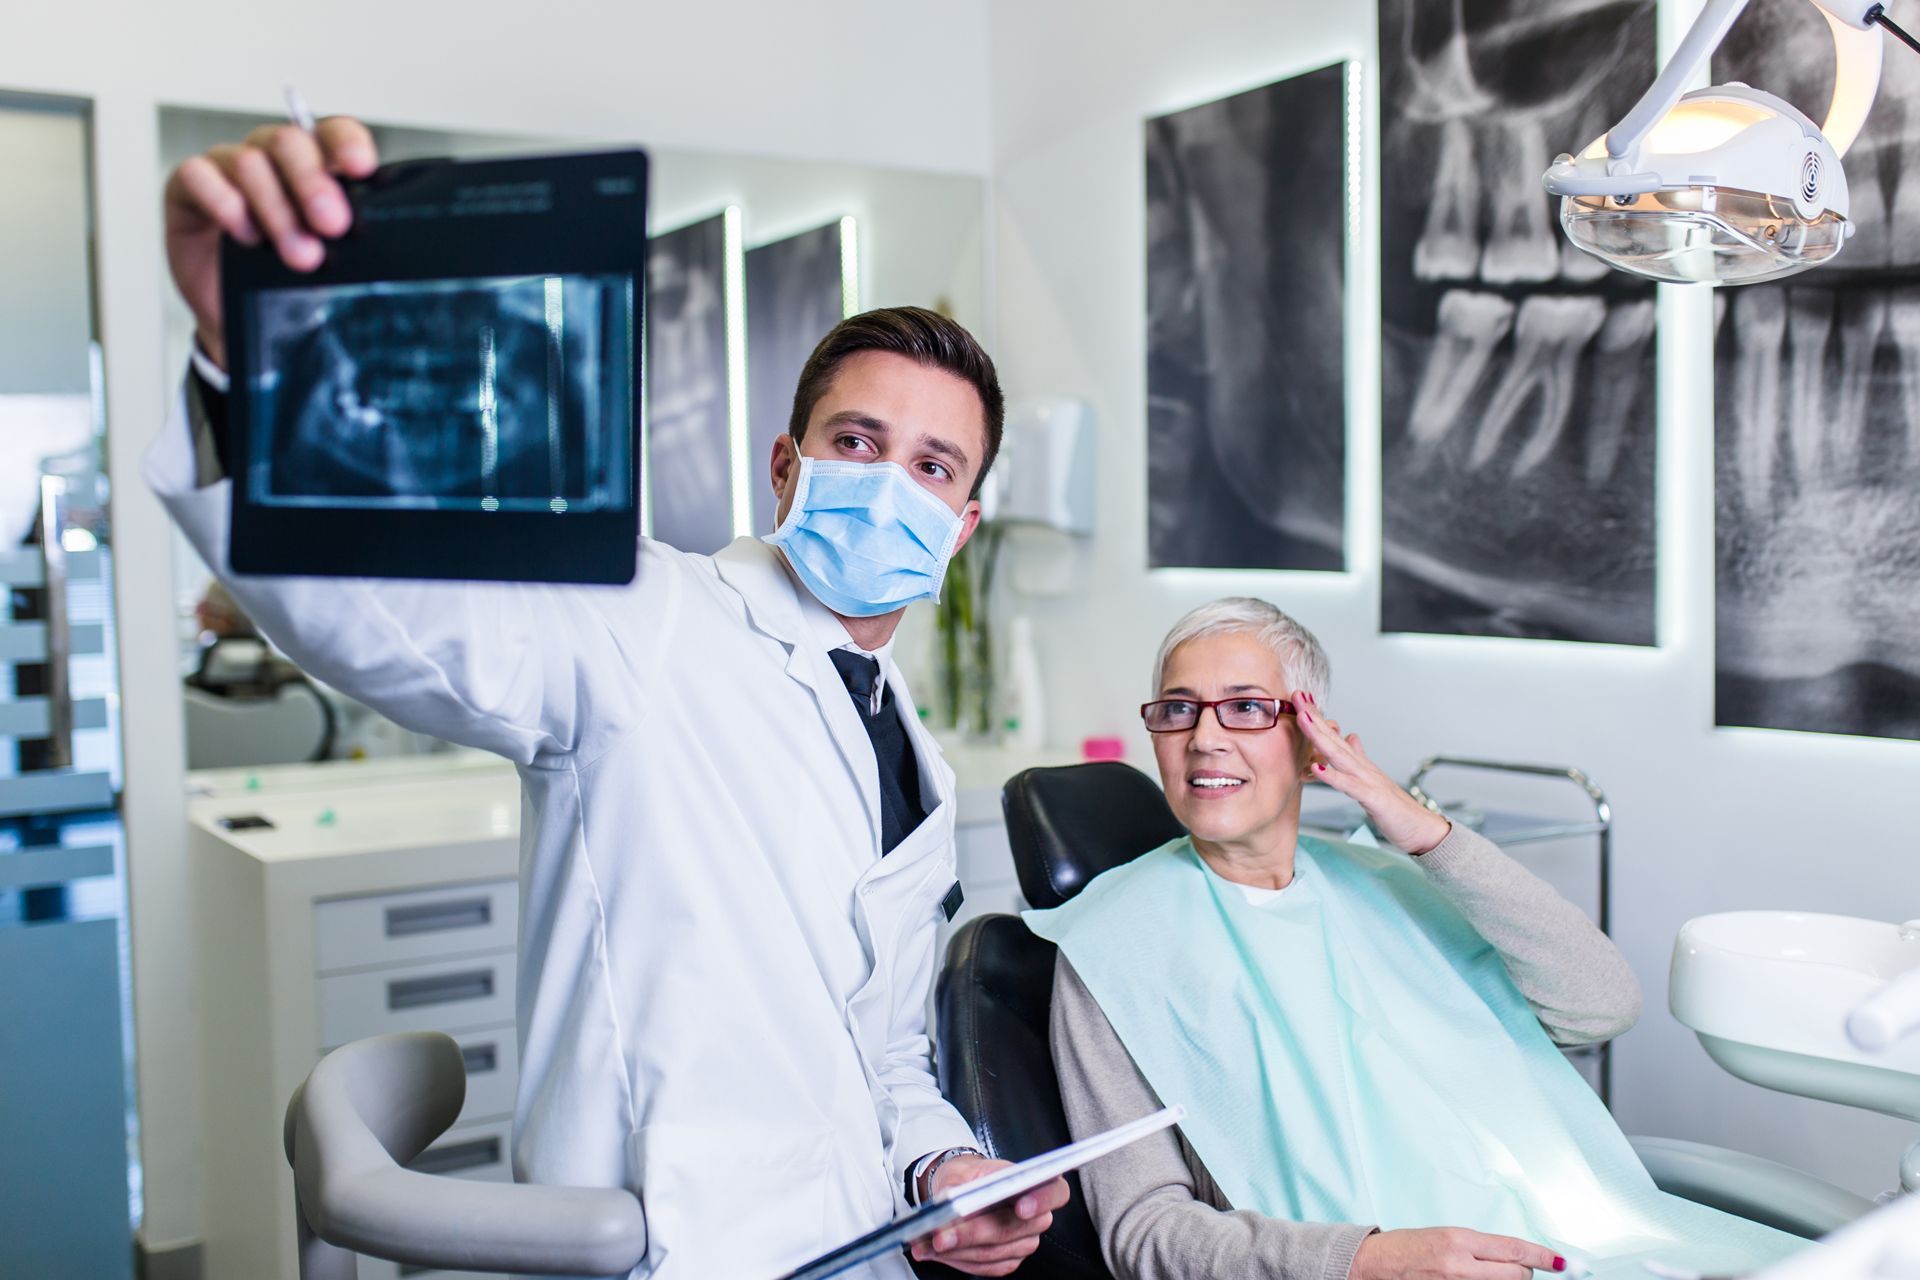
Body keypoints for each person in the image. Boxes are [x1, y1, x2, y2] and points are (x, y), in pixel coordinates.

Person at [154, 116, 1065, 1280]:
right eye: (858, 439)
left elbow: (883, 1048)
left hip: (862, 1241)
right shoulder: (644, 617)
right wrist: (248, 372)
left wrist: (941, 1172)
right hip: (673, 1245)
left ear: (963, 523)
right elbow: (387, 618)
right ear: (787, 465)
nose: (893, 483)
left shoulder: (911, 750)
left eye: (934, 466)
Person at [1028, 598, 1806, 1280]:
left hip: (1572, 1245)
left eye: (1245, 708)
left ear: (1311, 742)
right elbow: (1144, 1231)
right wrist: (1360, 1261)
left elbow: (1601, 1005)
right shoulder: (1111, 949)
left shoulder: (1393, 884)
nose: (1203, 738)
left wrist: (1423, 832)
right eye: (1177, 709)